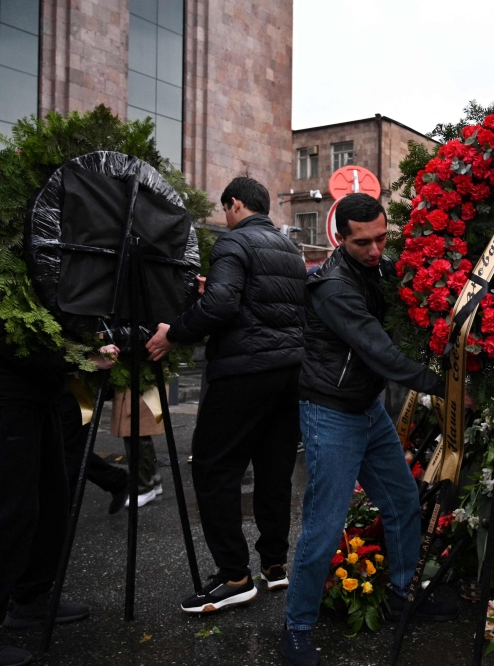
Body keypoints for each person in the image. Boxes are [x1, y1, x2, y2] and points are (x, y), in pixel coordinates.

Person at [278, 193, 454, 666]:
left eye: (382, 238)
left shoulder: (380, 267)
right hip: (330, 411)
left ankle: (402, 596)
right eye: (364, 243)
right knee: (325, 523)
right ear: (341, 238)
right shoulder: (332, 287)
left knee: (401, 500)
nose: (377, 250)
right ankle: (295, 629)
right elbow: (382, 353)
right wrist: (446, 386)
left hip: (366, 408)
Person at [146, 176, 307, 614]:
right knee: (275, 470)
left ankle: (234, 576)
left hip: (243, 373)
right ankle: (275, 565)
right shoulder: (290, 250)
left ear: (234, 204)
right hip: (288, 372)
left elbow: (220, 307)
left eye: (226, 209)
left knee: (215, 468)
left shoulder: (233, 245)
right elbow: (268, 306)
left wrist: (174, 333)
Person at [0, 314, 118, 666]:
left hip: (39, 392)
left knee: (51, 500)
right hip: (6, 394)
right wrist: (80, 357)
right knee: (10, 511)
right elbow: (8, 340)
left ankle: (30, 598)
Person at [59, 391, 129, 515]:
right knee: (66, 450)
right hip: (59, 392)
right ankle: (115, 480)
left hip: (73, 391)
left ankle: (62, 517)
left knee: (68, 451)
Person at [110, 387, 165, 508]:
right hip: (138, 384)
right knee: (139, 433)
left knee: (135, 432)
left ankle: (145, 487)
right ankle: (152, 480)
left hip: (138, 383)